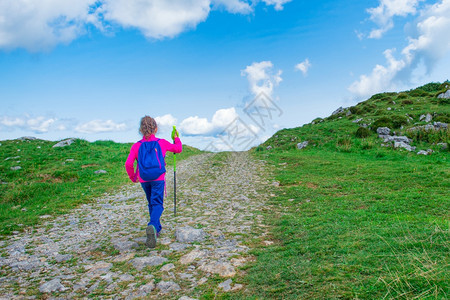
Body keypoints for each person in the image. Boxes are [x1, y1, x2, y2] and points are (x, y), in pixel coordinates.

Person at [125, 116, 182, 248]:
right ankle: (153, 225)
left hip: (144, 178)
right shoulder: (161, 143)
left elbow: (128, 164)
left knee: (151, 202)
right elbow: (178, 149)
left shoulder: (136, 146)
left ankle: (156, 229)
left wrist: (133, 176)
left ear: (140, 130)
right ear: (156, 129)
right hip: (158, 178)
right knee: (158, 204)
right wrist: (176, 138)